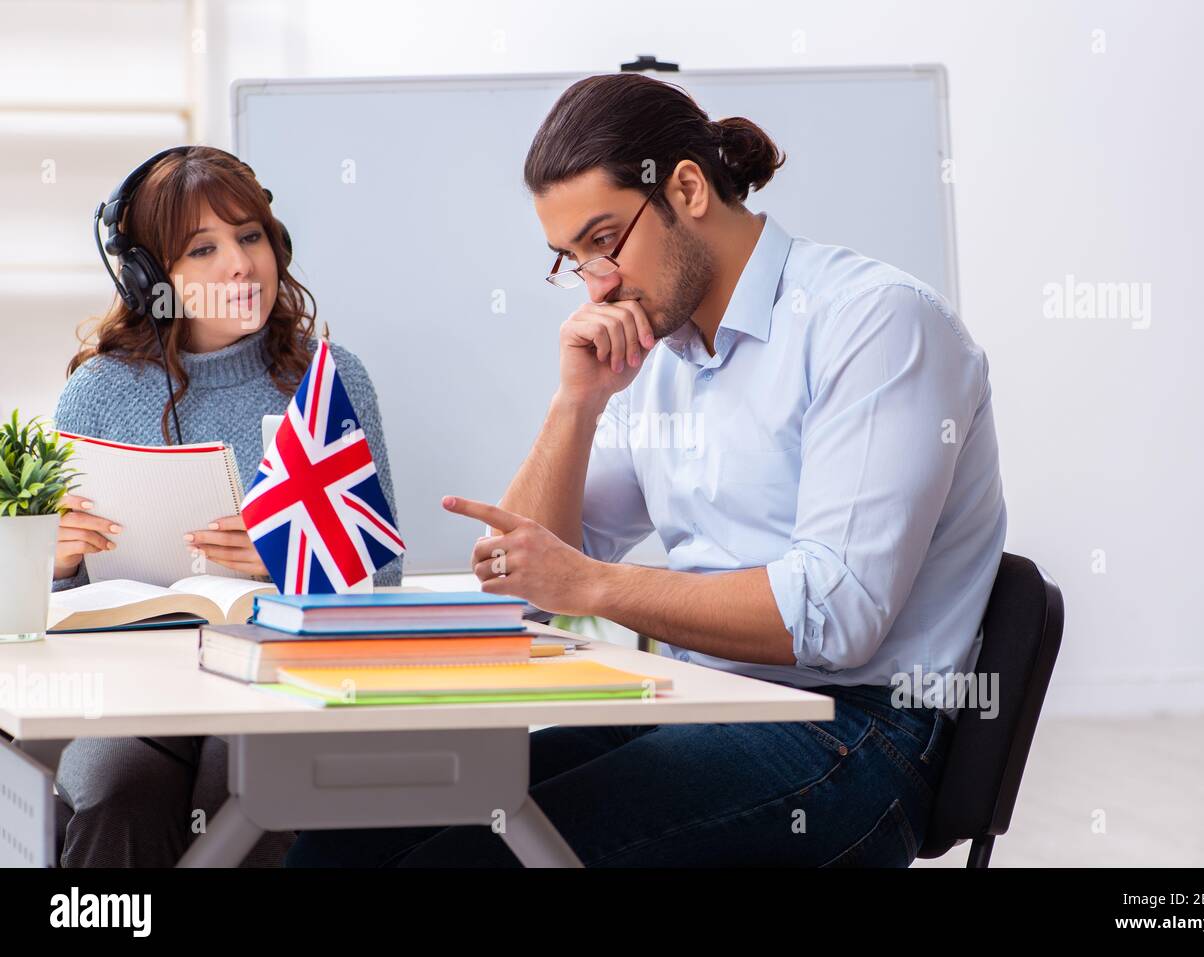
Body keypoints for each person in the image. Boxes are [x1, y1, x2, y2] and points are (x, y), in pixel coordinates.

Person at [288, 72, 1005, 868]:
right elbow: (527, 580)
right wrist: (577, 404)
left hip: (857, 733)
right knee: (341, 839)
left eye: (604, 241)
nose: (598, 282)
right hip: (703, 705)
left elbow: (836, 615)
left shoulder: (876, 322)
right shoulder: (657, 357)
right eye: (571, 258)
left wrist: (594, 584)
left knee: (468, 860)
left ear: (688, 187)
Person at [52, 145, 402, 867]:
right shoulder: (97, 394)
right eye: (202, 248)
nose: (240, 266)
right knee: (119, 790)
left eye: (250, 236)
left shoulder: (329, 379)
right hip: (136, 689)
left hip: (278, 683)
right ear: (152, 277)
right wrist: (53, 562)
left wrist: (295, 564)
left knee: (243, 788)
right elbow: (56, 606)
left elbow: (385, 579)